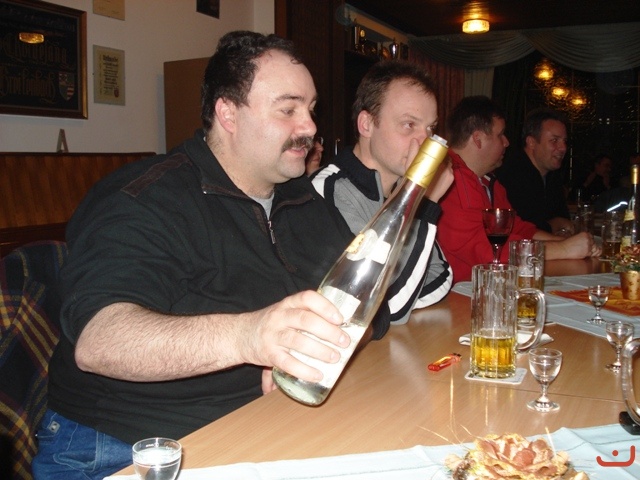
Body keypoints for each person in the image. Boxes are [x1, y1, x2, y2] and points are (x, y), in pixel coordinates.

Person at [33, 31, 388, 479]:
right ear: (228, 113)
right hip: (123, 446)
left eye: (311, 109)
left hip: (259, 426)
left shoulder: (302, 199)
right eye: (288, 109)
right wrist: (251, 337)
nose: (310, 127)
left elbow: (370, 309)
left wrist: (303, 355)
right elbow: (99, 341)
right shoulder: (143, 197)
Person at [311, 60, 454, 323]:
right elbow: (384, 308)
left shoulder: (399, 190)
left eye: (430, 128)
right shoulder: (329, 190)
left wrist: (401, 299)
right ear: (366, 124)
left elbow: (441, 275)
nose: (425, 143)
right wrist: (424, 202)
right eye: (409, 125)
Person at [437, 96, 599, 284]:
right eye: (501, 135)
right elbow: (486, 250)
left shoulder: (489, 182)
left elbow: (519, 229)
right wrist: (564, 249)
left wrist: (564, 243)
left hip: (490, 285)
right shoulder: (448, 180)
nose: (506, 142)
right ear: (478, 139)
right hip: (457, 293)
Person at [495, 107, 573, 235]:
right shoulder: (511, 175)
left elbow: (564, 221)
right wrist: (555, 224)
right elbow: (520, 230)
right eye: (554, 140)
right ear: (531, 142)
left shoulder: (552, 175)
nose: (563, 148)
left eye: (564, 141)